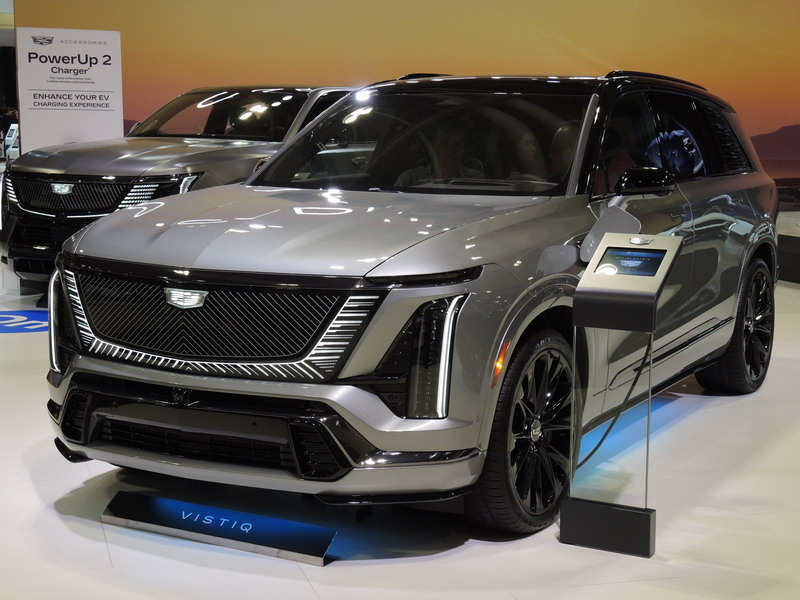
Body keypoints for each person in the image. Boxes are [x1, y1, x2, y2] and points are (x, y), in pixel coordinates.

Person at [395, 117, 482, 186]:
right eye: (444, 144)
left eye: (457, 144)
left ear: (463, 148)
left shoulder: (475, 179)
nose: (451, 151)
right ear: (432, 148)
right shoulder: (409, 180)